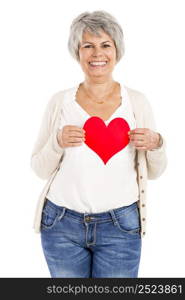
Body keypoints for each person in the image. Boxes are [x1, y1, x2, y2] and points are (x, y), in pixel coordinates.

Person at [30, 10, 167, 278]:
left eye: (105, 45)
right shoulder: (60, 102)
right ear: (77, 52)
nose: (97, 54)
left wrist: (157, 142)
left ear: (117, 50)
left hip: (121, 227)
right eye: (87, 46)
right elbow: (38, 168)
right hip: (61, 226)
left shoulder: (137, 102)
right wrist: (58, 142)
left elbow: (155, 172)